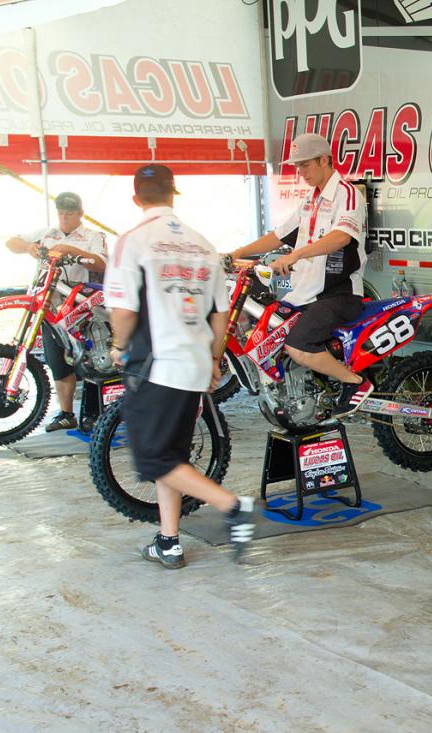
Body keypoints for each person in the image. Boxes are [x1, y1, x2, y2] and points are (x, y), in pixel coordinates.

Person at [104, 164, 257, 569]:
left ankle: (232, 506)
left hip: (155, 366)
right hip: (192, 365)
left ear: (136, 198)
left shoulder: (133, 241)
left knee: (155, 460)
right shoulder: (203, 245)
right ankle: (168, 541)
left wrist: (118, 346)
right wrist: (213, 358)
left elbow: (123, 309)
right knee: (173, 458)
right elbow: (221, 313)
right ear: (174, 195)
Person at [228, 132, 370, 415]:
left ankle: (356, 383)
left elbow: (341, 237)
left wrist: (296, 254)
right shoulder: (310, 199)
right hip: (304, 293)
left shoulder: (346, 194)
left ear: (324, 160)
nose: (300, 172)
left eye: (305, 165)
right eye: (297, 166)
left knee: (298, 344)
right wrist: (236, 253)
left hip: (337, 294)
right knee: (268, 333)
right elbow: (278, 236)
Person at [5, 192, 109, 431]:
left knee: (91, 360)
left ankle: (95, 414)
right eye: (61, 212)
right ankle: (66, 413)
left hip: (82, 306)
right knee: (57, 361)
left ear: (80, 213)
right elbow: (11, 243)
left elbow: (101, 263)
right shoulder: (46, 233)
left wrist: (70, 250)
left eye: (69, 213)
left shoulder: (94, 236)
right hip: (50, 306)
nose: (64, 217)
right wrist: (29, 247)